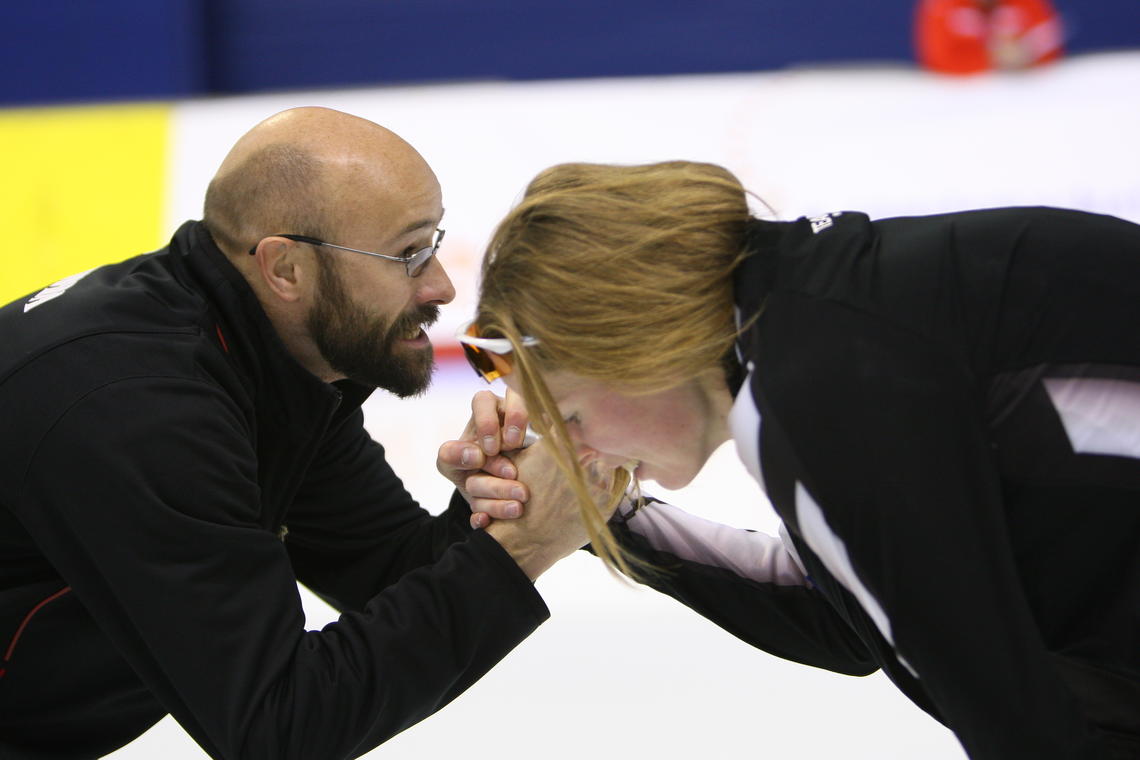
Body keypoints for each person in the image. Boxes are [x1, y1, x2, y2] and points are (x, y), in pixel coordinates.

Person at [458, 160, 1140, 759]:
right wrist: (609, 513)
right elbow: (851, 615)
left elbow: (1020, 722)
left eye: (571, 415)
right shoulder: (822, 305)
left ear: (638, 342)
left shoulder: (822, 388)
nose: (576, 451)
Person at [0, 107, 608, 760]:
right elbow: (281, 727)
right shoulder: (141, 407)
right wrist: (518, 553)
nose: (440, 283)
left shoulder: (258, 357)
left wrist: (489, 512)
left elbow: (385, 570)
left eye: (435, 242)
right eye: (408, 253)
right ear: (285, 269)